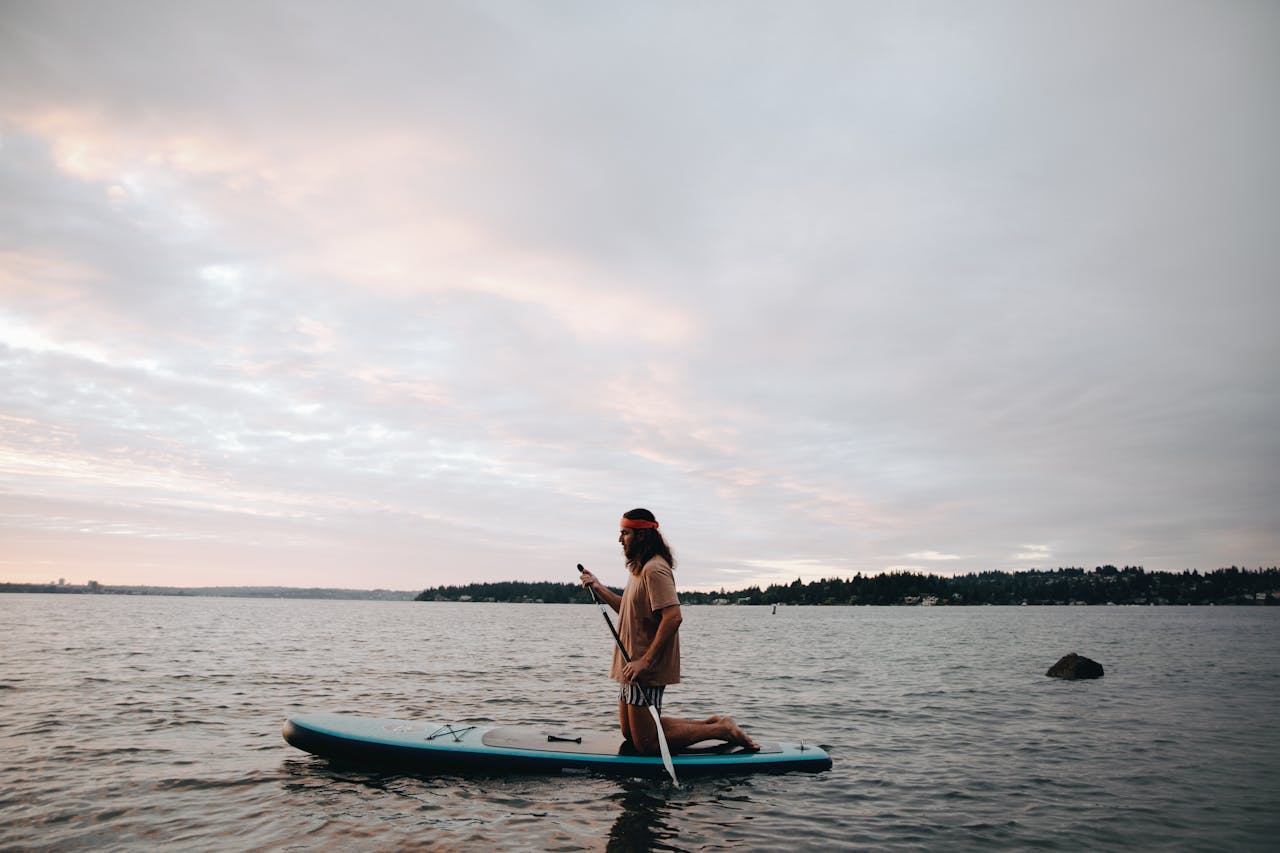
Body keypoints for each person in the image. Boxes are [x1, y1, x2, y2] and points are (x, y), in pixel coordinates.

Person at [578, 508, 760, 756]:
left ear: (641, 535)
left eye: (625, 533)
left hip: (645, 666)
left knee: (647, 743)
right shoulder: (638, 570)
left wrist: (646, 662)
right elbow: (629, 610)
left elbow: (673, 617)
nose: (620, 539)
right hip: (631, 664)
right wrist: (599, 588)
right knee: (630, 733)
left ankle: (722, 731)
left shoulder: (655, 569)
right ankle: (713, 724)